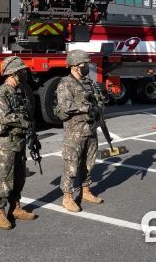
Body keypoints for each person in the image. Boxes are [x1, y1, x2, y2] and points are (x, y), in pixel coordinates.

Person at [55, 49, 104, 213]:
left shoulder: (88, 82)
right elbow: (64, 106)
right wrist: (87, 108)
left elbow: (96, 101)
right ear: (75, 65)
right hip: (75, 131)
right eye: (84, 64)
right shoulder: (65, 84)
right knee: (72, 164)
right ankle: (67, 197)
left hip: (90, 128)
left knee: (89, 162)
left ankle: (86, 190)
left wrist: (100, 100)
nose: (87, 66)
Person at [0, 56, 36, 230]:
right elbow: (5, 117)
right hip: (6, 142)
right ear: (12, 73)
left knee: (19, 176)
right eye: (21, 71)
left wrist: (31, 131)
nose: (24, 73)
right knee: (4, 176)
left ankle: (15, 207)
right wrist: (25, 122)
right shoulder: (1, 92)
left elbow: (28, 113)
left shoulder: (20, 91)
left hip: (19, 140)